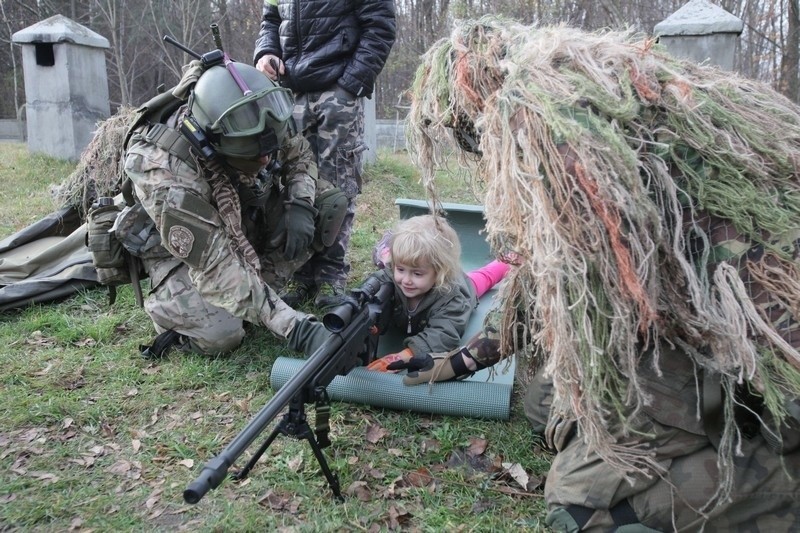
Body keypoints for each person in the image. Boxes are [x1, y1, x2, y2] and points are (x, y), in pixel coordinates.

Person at [400, 17, 800, 532]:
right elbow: (547, 281)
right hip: (689, 319)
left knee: (582, 511)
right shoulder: (574, 111)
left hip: (756, 340)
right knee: (550, 405)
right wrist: (454, 363)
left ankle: (774, 476)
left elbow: (580, 280)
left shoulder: (560, 134)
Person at [118, 59, 330, 357]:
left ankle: (258, 293)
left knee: (326, 204)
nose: (267, 161)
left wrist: (301, 203)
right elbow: (214, 264)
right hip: (184, 250)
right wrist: (294, 327)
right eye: (256, 156)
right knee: (221, 335)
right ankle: (172, 309)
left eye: (269, 152)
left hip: (237, 216)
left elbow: (299, 154)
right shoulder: (164, 169)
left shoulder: (258, 110)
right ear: (213, 143)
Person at [253, 0, 397, 309]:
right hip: (290, 93)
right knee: (293, 185)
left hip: (337, 91)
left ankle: (331, 276)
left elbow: (380, 25)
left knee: (336, 187)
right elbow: (270, 20)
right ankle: (302, 275)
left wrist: (350, 84)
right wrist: (267, 53)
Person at [363, 214, 509, 374]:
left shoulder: (454, 296)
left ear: (439, 272)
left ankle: (508, 260)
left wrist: (407, 354)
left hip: (467, 286)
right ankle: (386, 254)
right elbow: (375, 289)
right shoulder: (391, 277)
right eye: (400, 269)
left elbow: (444, 334)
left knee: (485, 277)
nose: (406, 280)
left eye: (417, 274)